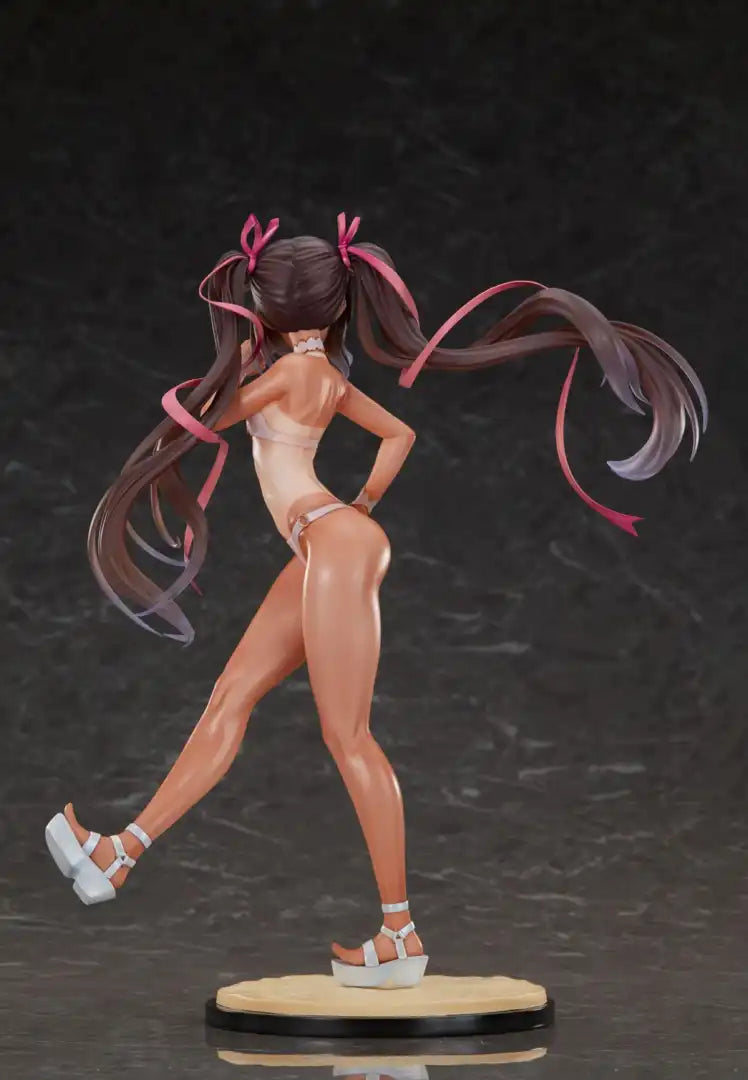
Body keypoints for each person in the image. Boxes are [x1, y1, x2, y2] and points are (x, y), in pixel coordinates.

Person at [44, 212, 707, 989]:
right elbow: (400, 436)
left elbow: (203, 422)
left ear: (267, 306)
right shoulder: (322, 377)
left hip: (334, 545)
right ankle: (118, 855)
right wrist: (356, 504)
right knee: (232, 694)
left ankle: (399, 934)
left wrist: (236, 376)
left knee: (348, 736)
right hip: (326, 540)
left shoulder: (291, 376)